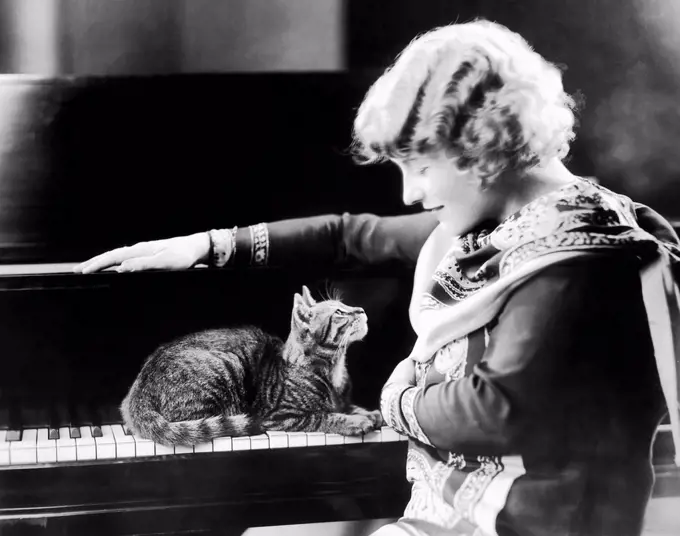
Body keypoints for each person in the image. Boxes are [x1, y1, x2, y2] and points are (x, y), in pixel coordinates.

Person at [74, 19, 680, 536]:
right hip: (447, 511)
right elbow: (349, 234)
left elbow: (495, 412)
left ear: (482, 147)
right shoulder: (508, 219)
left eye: (418, 167)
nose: (410, 194)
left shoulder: (580, 262)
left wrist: (394, 396)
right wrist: (203, 245)